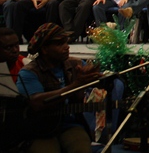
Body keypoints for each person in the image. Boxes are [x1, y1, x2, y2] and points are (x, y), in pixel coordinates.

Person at [16, 23, 100, 153]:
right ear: (44, 49)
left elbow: (81, 95)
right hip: (40, 129)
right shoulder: (29, 72)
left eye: (66, 42)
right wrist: (76, 85)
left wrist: (95, 79)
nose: (67, 47)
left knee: (82, 149)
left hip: (70, 125)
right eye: (60, 44)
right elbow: (37, 102)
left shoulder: (75, 64)